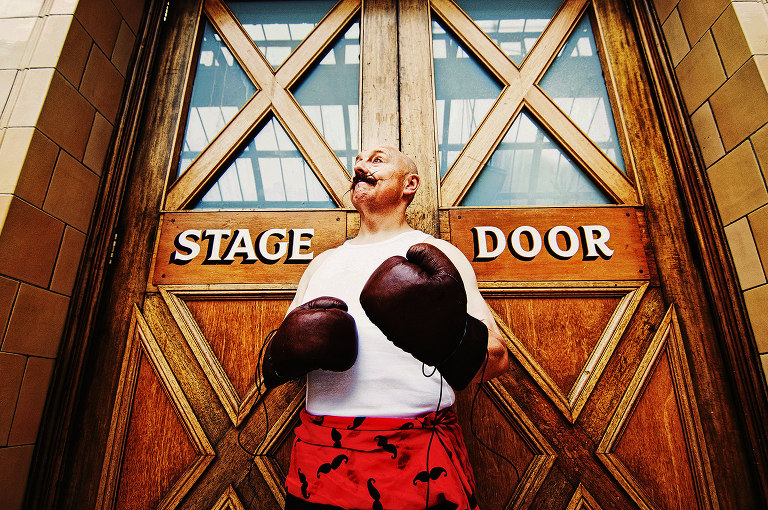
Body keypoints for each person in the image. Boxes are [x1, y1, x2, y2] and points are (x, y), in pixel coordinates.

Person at [260, 144, 509, 510]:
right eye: (357, 161)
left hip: (421, 454)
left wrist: (451, 340)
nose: (361, 166)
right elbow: (280, 359)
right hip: (321, 455)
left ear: (409, 184)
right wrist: (288, 354)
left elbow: (498, 361)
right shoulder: (323, 263)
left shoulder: (438, 254)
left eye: (376, 160)